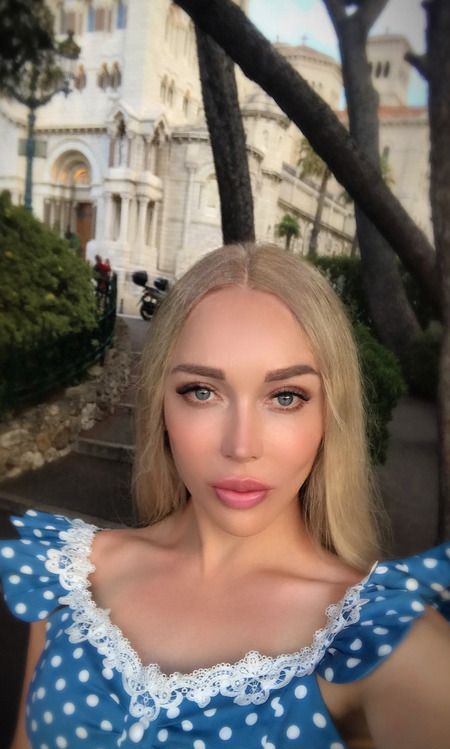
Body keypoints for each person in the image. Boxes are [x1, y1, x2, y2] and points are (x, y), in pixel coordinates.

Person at [0, 242, 449, 749]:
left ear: (330, 415)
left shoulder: (381, 638)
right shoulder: (68, 577)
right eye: (202, 391)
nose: (240, 446)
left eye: (285, 397)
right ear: (160, 403)